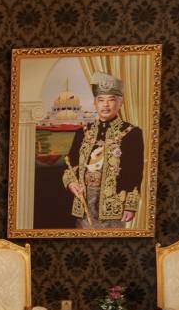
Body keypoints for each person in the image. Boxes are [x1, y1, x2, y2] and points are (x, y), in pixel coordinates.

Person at [62, 71, 144, 229]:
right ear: (95, 103)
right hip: (84, 200)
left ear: (120, 103)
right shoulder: (83, 132)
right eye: (101, 100)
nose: (105, 105)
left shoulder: (132, 133)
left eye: (111, 100)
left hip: (114, 203)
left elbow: (135, 171)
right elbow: (70, 164)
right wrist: (71, 183)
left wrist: (130, 205)